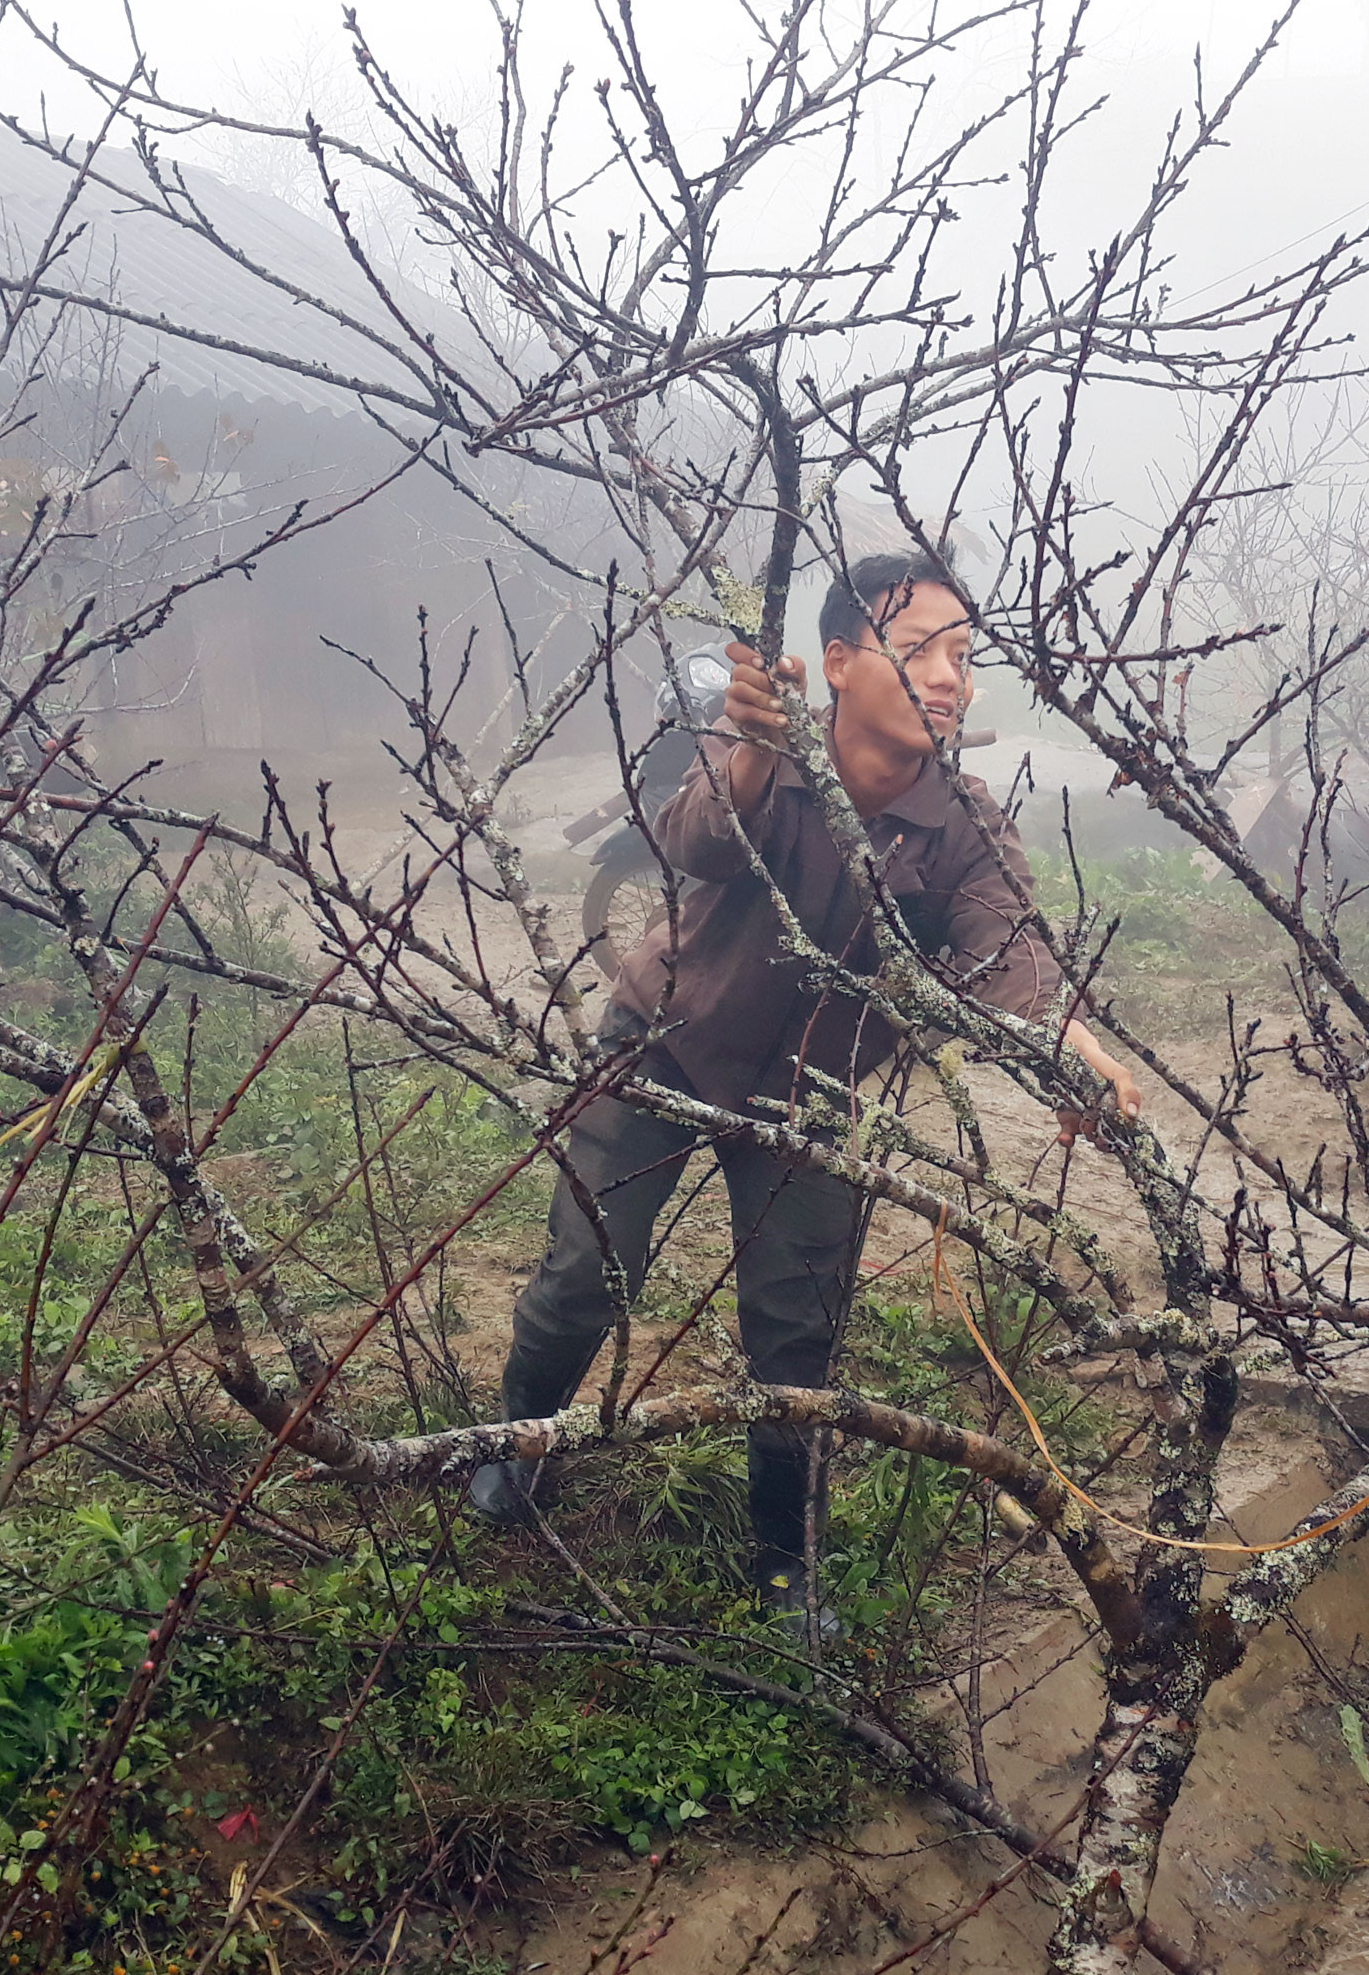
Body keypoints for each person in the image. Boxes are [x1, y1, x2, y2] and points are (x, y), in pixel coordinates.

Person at [470, 550, 1142, 1638]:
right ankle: (518, 1447)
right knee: (585, 1275)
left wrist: (1065, 1044)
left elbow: (1008, 955)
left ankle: (786, 1561)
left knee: (797, 1335)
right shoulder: (768, 753)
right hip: (664, 1047)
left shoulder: (963, 821)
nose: (948, 678)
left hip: (813, 1096)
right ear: (836, 661)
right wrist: (744, 754)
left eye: (962, 656)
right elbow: (694, 837)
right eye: (917, 648)